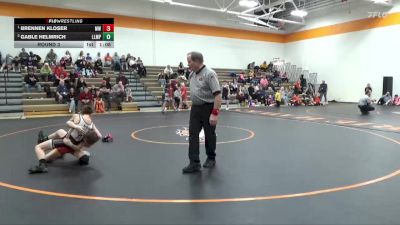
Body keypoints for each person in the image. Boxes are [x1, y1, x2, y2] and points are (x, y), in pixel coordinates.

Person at [29, 106, 102, 174]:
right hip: (75, 145)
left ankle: (42, 166)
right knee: (60, 131)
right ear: (91, 114)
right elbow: (99, 136)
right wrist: (88, 142)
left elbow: (68, 123)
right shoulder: (91, 125)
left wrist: (76, 126)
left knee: (39, 149)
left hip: (65, 142)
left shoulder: (77, 116)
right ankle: (44, 140)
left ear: (82, 112)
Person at [183, 51, 221, 173]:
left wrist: (215, 113)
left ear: (197, 61)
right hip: (195, 109)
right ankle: (194, 163)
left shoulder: (209, 74)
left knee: (209, 135)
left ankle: (211, 158)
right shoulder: (191, 74)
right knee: (193, 135)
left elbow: (218, 95)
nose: (188, 64)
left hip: (208, 108)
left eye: (189, 61)